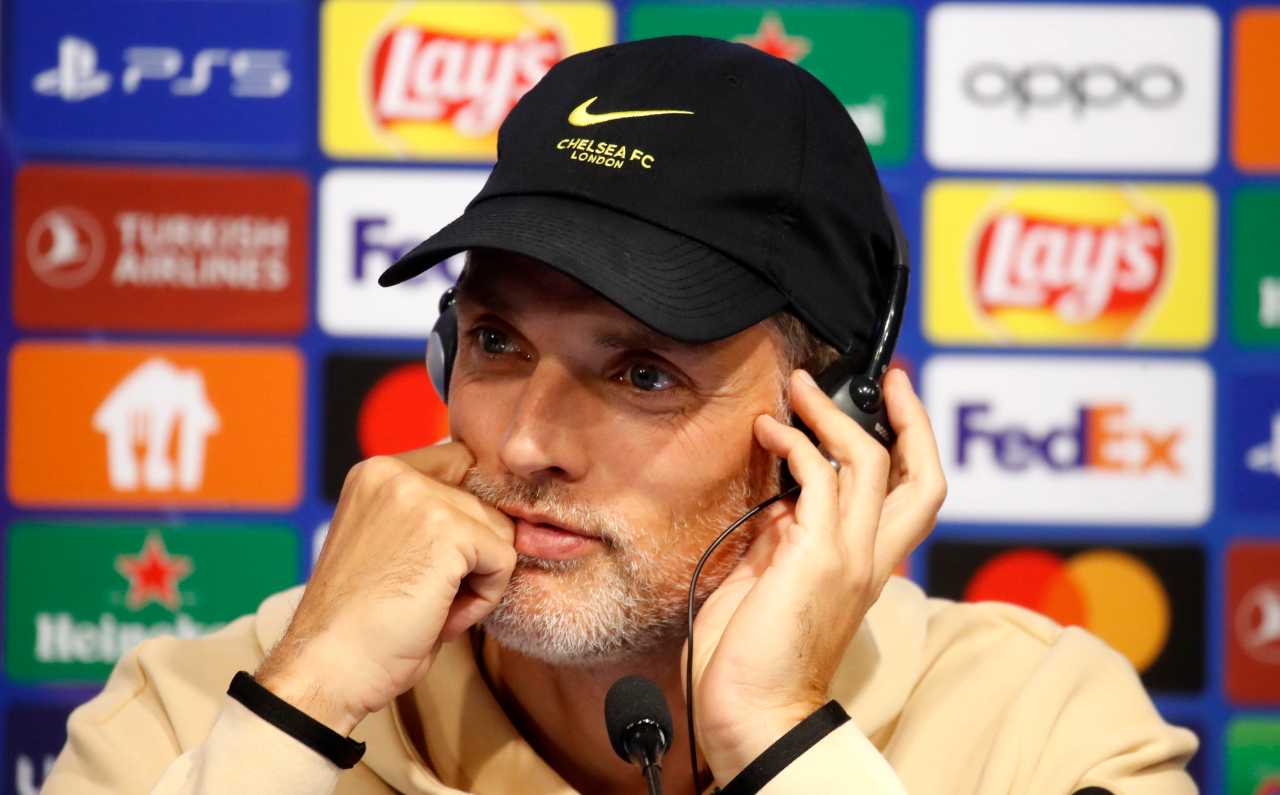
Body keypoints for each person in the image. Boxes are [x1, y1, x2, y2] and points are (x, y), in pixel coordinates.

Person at [43, 36, 1197, 795]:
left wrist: (780, 731)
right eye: (496, 343)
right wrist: (302, 711)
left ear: (829, 428)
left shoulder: (1040, 729)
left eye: (643, 373)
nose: (524, 443)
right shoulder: (199, 710)